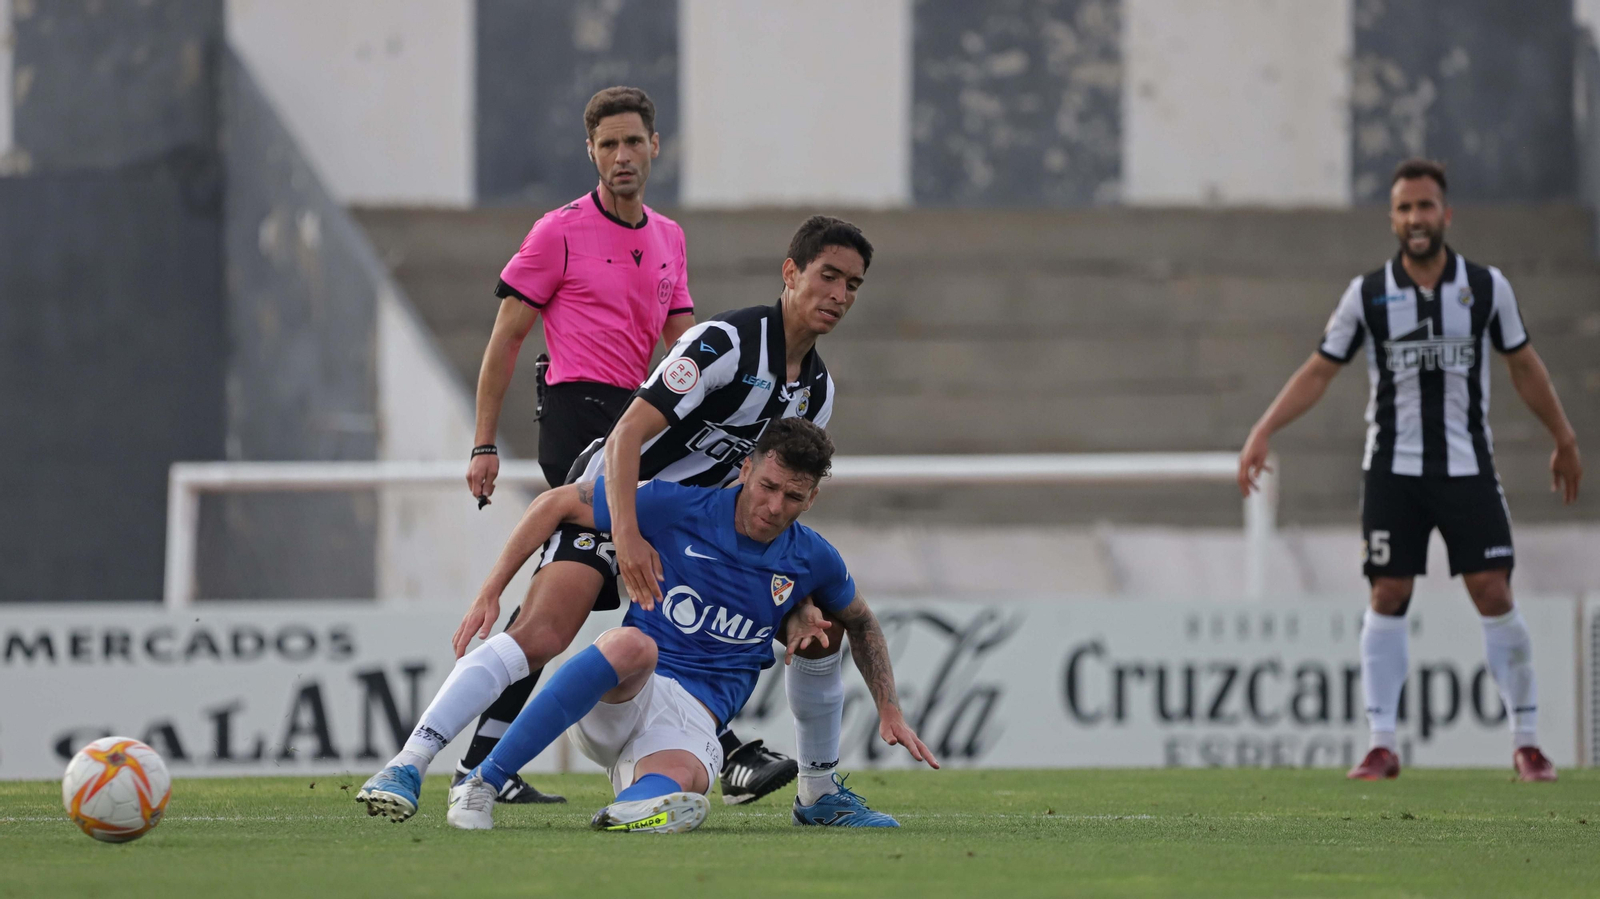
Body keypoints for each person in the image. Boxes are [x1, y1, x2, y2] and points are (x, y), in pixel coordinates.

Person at [359, 217, 883, 818]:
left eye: (852, 285)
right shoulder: (727, 343)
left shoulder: (817, 392)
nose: (839, 294)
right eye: (829, 276)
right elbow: (628, 433)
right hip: (614, 501)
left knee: (713, 650)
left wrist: (799, 599)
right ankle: (409, 763)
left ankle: (743, 774)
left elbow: (783, 485)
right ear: (791, 273)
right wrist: (627, 535)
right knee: (542, 636)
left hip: (688, 528)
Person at [359, 421, 935, 832]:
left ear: (811, 498)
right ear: (745, 470)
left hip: (696, 717)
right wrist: (491, 590)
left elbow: (861, 621)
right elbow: (555, 504)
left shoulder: (813, 558)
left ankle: (631, 809)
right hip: (625, 691)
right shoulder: (677, 507)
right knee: (633, 643)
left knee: (690, 779)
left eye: (794, 497)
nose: (775, 507)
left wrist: (889, 708)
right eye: (767, 486)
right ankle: (481, 781)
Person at [1237, 158, 1582, 782]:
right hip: (1392, 470)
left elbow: (1524, 365)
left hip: (1466, 466)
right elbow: (1320, 369)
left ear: (1446, 214)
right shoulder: (1368, 294)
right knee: (1388, 591)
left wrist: (1563, 435)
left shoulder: (1487, 288)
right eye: (1404, 208)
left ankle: (1527, 742)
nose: (1415, 218)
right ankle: (1381, 743)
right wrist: (1264, 428)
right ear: (1392, 219)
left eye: (1425, 206)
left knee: (1493, 590)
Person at [455, 85, 697, 804]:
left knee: (556, 608)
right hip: (575, 417)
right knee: (612, 580)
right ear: (590, 152)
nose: (622, 156)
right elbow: (505, 340)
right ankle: (721, 742)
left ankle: (483, 760)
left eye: (633, 142)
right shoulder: (557, 231)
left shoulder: (669, 237)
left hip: (634, 420)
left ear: (655, 147)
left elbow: (684, 345)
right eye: (608, 144)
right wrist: (484, 443)